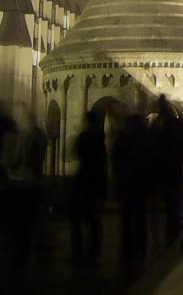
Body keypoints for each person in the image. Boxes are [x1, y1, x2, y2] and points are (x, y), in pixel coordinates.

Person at [112, 114, 154, 264]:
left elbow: (115, 160)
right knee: (140, 217)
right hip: (141, 183)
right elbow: (151, 160)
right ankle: (141, 250)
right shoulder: (146, 138)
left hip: (127, 183)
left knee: (127, 218)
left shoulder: (123, 137)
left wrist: (119, 177)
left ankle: (127, 251)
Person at [150, 95, 183, 247]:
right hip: (174, 171)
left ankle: (156, 242)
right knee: (173, 208)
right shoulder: (179, 125)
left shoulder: (157, 125)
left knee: (155, 209)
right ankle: (172, 239)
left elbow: (151, 147)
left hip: (158, 172)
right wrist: (180, 160)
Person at [69, 111, 107, 263]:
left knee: (76, 218)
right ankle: (93, 251)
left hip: (83, 180)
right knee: (93, 220)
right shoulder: (100, 139)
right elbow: (104, 162)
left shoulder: (84, 137)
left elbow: (74, 153)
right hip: (95, 181)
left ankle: (78, 251)